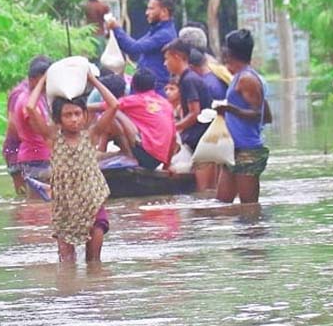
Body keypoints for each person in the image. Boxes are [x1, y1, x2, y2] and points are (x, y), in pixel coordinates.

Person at [25, 72, 119, 262]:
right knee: (67, 262)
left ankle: (94, 289)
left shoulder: (92, 135)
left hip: (92, 199)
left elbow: (114, 105)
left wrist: (92, 80)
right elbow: (30, 107)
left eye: (77, 114)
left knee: (94, 261)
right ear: (59, 119)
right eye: (68, 115)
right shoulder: (53, 138)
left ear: (85, 115)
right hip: (65, 204)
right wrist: (43, 82)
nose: (74, 119)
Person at [214, 29, 272, 204]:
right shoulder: (240, 77)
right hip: (233, 149)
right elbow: (268, 116)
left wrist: (230, 109)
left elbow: (258, 114)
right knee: (222, 204)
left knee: (249, 208)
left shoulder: (247, 79)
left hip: (247, 151)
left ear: (229, 52)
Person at [162, 38, 217, 190]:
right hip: (202, 138)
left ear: (177, 57)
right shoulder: (188, 78)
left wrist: (173, 128)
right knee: (208, 190)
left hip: (202, 140)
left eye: (167, 59)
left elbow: (194, 113)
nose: (164, 64)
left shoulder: (188, 80)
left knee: (204, 191)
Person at [101, 68, 176, 171]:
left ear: (133, 85)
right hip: (157, 160)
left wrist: (84, 108)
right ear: (154, 85)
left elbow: (107, 106)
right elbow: (173, 138)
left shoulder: (134, 100)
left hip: (145, 155)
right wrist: (166, 165)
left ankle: (116, 152)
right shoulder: (166, 104)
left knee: (113, 112)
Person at [106, 0, 177, 95]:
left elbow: (134, 48)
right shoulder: (156, 31)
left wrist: (116, 28)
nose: (147, 12)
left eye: (151, 9)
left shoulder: (165, 34)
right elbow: (132, 46)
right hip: (143, 87)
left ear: (164, 12)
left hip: (154, 89)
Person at [12, 56, 53, 187]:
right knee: (40, 203)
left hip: (38, 157)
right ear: (33, 80)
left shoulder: (37, 98)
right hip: (36, 158)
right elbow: (42, 132)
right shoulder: (27, 101)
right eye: (44, 82)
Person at [3, 79, 29, 195]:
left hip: (30, 150)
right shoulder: (20, 94)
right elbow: (13, 125)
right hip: (16, 150)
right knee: (25, 194)